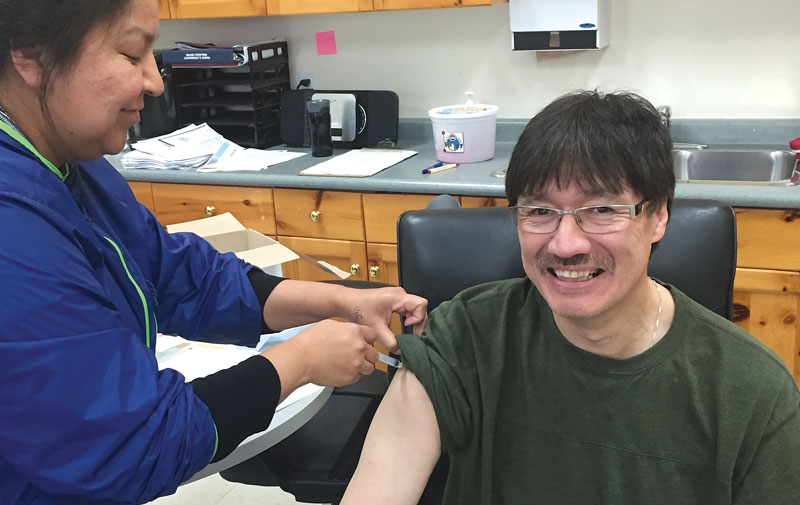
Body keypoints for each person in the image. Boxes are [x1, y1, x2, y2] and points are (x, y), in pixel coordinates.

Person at [0, 1, 427, 503]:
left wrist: (339, 299)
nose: (155, 82)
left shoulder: (74, 163)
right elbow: (131, 443)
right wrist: (300, 361)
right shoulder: (13, 226)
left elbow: (184, 278)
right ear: (33, 57)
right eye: (132, 54)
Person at [342, 90, 800, 504]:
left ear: (658, 215)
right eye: (540, 210)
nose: (565, 244)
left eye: (601, 209)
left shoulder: (752, 394)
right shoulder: (466, 338)